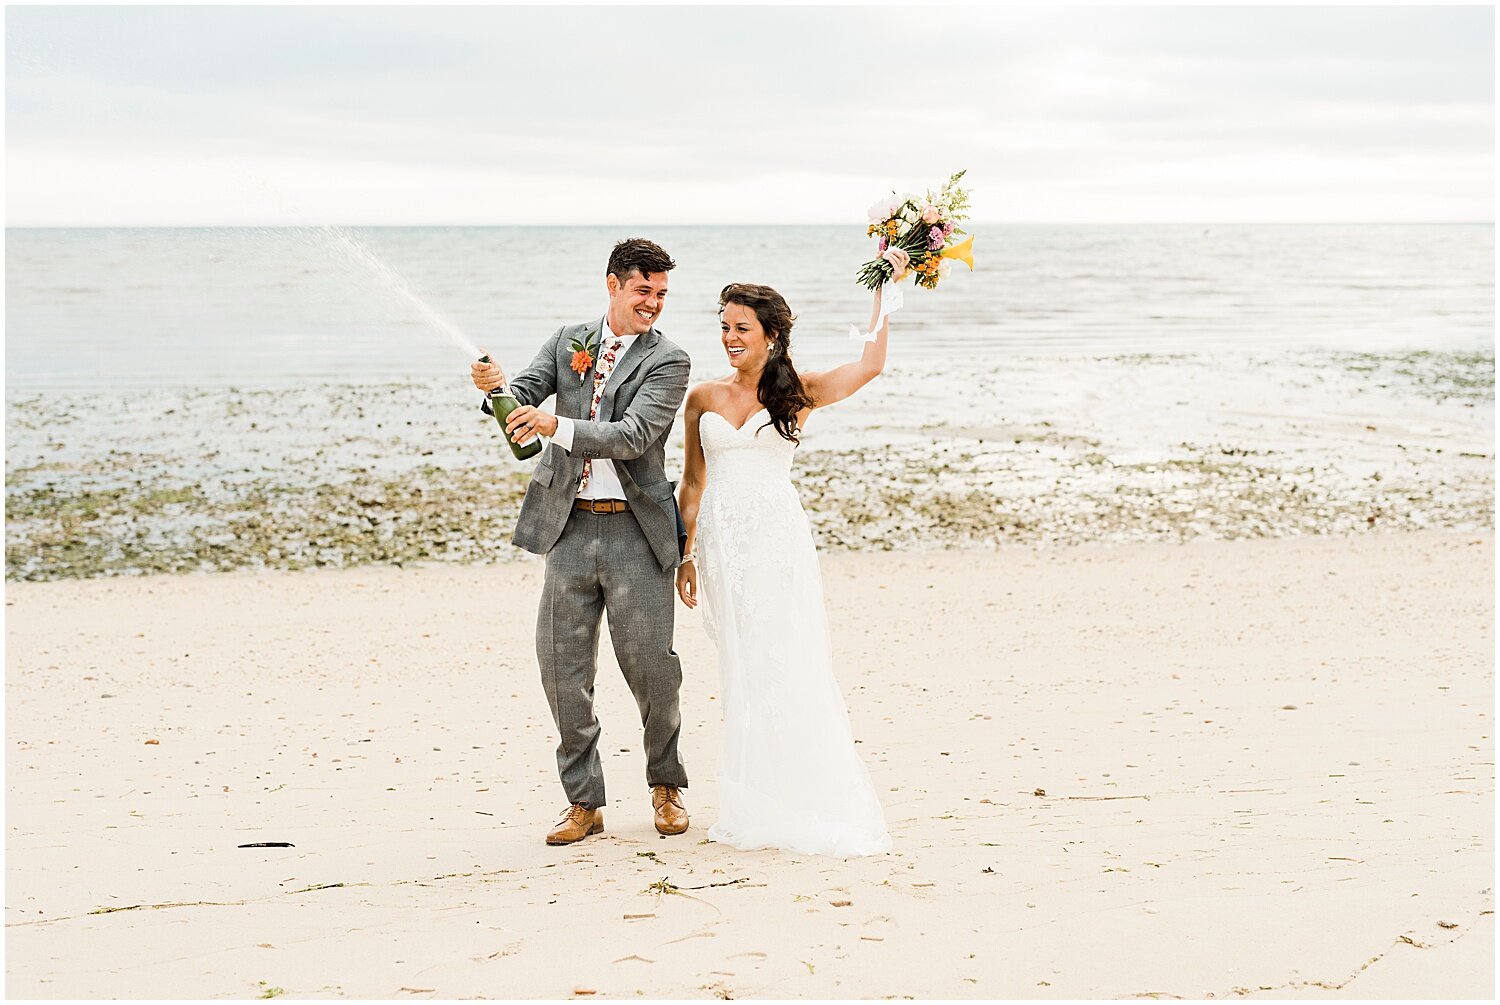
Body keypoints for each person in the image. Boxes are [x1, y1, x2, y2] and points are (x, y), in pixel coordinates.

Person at [673, 248, 909, 856]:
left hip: (777, 544)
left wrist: (884, 284)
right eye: (723, 327)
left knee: (788, 659)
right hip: (725, 550)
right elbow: (692, 484)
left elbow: (871, 364)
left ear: (771, 336)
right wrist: (686, 554)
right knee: (742, 669)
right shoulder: (702, 397)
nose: (729, 338)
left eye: (741, 328)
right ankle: (752, 795)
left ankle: (800, 795)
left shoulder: (798, 393)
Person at [470, 238, 692, 846]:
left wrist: (556, 424)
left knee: (653, 669)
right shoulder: (569, 339)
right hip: (565, 526)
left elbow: (634, 434)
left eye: (662, 294)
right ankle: (583, 802)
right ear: (613, 284)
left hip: (636, 530)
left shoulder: (670, 361)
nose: (653, 304)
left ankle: (666, 785)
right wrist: (496, 390)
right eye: (643, 290)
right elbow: (524, 397)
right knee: (562, 668)